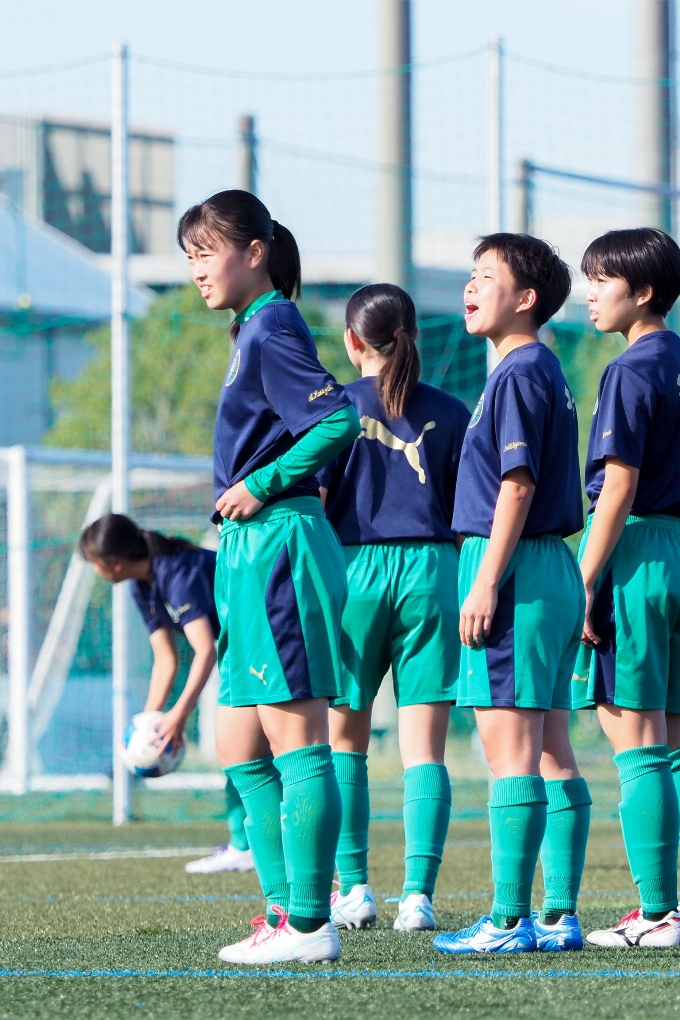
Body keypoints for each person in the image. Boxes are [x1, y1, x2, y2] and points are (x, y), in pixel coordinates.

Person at [181, 189, 361, 965]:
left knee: (296, 741)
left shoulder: (275, 323)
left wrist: (264, 481)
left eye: (206, 252)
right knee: (240, 748)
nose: (194, 270)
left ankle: (311, 926)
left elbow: (337, 418)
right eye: (187, 256)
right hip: (247, 551)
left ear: (255, 251)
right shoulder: (249, 330)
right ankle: (284, 914)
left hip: (280, 541)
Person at [572, 228, 680, 949]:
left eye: (601, 279)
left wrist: (583, 582)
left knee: (637, 746)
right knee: (674, 745)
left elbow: (618, 487)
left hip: (638, 551)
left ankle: (655, 915)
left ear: (641, 291)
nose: (589, 292)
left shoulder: (630, 367)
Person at [432, 233, 588, 955]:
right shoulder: (539, 370)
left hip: (517, 569)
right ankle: (556, 915)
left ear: (525, 298)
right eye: (470, 275)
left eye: (486, 276)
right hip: (549, 567)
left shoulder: (520, 372)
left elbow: (516, 486)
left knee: (512, 752)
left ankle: (506, 921)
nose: (471, 287)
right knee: (552, 748)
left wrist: (485, 581)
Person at [316, 283, 470, 932]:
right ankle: (418, 898)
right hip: (434, 571)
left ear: (353, 342)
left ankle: (353, 889)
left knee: (343, 740)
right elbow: (471, 515)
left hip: (354, 572)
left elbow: (316, 505)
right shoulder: (455, 412)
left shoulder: (335, 408)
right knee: (424, 749)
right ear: (415, 335)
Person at [79, 513, 254, 875]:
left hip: (260, 645)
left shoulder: (179, 573)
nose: (96, 571)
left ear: (115, 562)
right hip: (239, 651)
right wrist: (150, 723)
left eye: (95, 564)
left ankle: (253, 845)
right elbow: (165, 659)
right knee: (239, 751)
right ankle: (244, 843)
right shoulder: (140, 585)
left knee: (248, 751)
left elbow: (205, 649)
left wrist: (178, 716)